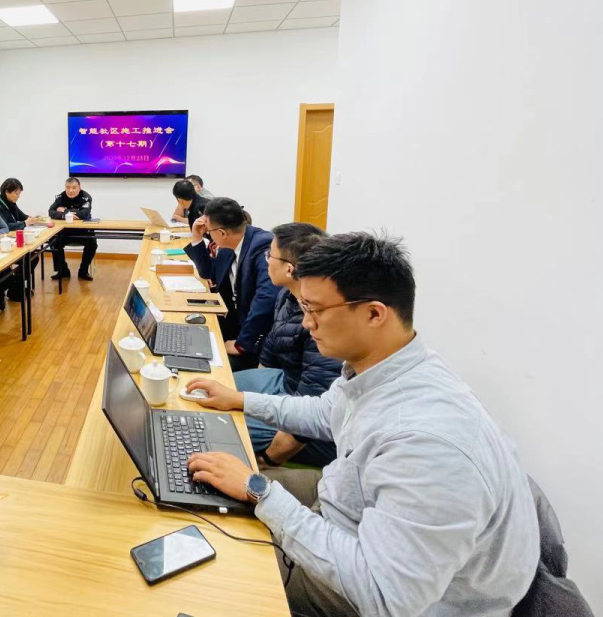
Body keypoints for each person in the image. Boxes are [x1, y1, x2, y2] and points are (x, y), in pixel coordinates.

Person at [185, 233, 539, 617]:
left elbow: (383, 597)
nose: (306, 323)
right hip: (349, 509)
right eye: (303, 306)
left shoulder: (427, 445)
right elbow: (325, 413)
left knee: (219, 566)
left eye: (315, 309)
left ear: (374, 314)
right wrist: (239, 400)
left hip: (379, 591)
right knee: (206, 491)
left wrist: (259, 491)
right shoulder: (385, 367)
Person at [234, 223, 342, 468]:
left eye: (269, 255)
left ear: (289, 269)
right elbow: (273, 342)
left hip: (305, 409)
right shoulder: (287, 294)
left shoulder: (324, 324)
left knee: (219, 420)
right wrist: (257, 388)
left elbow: (311, 412)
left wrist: (269, 459)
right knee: (211, 389)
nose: (266, 261)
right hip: (284, 380)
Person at [184, 197, 278, 370]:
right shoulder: (230, 244)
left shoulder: (262, 245)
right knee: (188, 339)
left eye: (208, 231)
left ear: (221, 233)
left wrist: (241, 344)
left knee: (204, 365)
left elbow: (267, 297)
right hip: (233, 321)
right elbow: (208, 273)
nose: (208, 234)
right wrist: (197, 237)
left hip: (255, 336)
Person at [0, 178, 40, 302]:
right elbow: (6, 227)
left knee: (33, 257)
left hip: (14, 240)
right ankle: (15, 288)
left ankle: (15, 287)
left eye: (19, 193)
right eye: (16, 193)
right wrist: (25, 223)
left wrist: (33, 219)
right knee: (28, 259)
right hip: (4, 243)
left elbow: (22, 216)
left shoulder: (11, 203)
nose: (18, 196)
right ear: (6, 192)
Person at [48, 177, 96, 281]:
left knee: (92, 243)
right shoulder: (60, 197)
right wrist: (65, 214)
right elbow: (51, 212)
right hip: (65, 232)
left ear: (79, 188)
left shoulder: (86, 197)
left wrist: (65, 210)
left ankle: (83, 271)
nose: (70, 190)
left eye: (74, 188)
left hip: (83, 231)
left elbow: (84, 214)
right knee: (53, 241)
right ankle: (63, 270)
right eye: (68, 187)